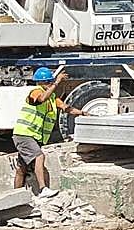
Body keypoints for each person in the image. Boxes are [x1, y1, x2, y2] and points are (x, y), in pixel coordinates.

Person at [13, 67, 87, 196]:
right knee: (39, 157)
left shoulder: (52, 98)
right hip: (24, 134)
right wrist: (57, 83)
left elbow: (66, 108)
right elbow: (41, 99)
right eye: (49, 82)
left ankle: (16, 195)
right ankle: (43, 190)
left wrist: (82, 113)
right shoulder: (35, 92)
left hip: (34, 136)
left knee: (22, 168)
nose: (50, 85)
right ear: (43, 82)